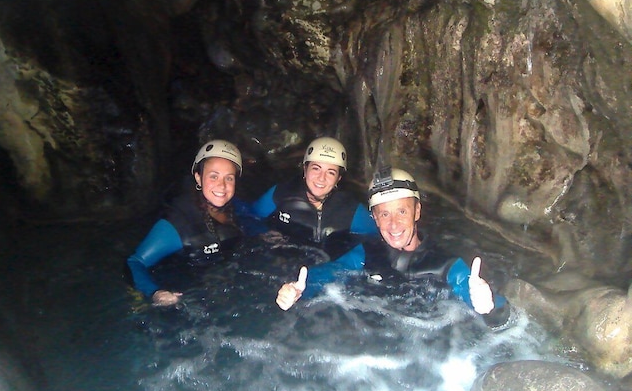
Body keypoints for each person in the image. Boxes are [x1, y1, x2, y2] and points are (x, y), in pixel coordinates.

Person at [275, 167, 510, 328]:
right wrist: (299, 290)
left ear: (417, 212)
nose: (394, 224)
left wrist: (488, 306)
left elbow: (496, 313)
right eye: (384, 214)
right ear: (375, 219)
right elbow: (331, 272)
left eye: (402, 211)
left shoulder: (446, 265)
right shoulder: (367, 254)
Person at [127, 139, 248, 306]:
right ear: (198, 178)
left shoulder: (234, 208)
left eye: (229, 178)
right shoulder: (177, 223)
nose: (222, 186)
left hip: (221, 284)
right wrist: (155, 292)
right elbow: (135, 262)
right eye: (214, 176)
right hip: (186, 294)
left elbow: (255, 217)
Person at [250, 136, 378, 257]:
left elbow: (376, 239)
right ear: (305, 170)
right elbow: (250, 218)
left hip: (328, 270)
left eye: (331, 172)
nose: (321, 178)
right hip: (284, 261)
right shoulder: (281, 193)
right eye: (316, 169)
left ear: (338, 179)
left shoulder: (351, 209)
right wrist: (264, 234)